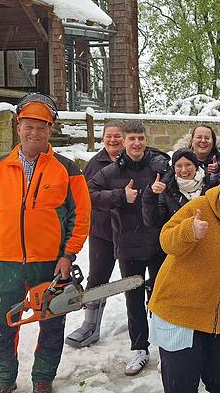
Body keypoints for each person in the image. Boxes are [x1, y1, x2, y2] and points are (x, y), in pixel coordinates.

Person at [0, 93, 91, 393]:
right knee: (1, 323)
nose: (34, 132)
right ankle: (2, 379)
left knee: (52, 322)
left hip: (50, 261)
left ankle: (43, 377)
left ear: (51, 128)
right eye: (28, 125)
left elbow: (80, 216)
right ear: (18, 127)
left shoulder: (67, 169)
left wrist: (69, 254)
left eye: (41, 126)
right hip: (6, 261)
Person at [148, 167, 220, 393]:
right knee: (181, 384)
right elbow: (166, 240)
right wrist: (188, 231)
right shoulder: (201, 206)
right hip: (181, 311)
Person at [88, 121, 170, 376]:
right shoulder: (110, 172)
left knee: (159, 298)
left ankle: (166, 348)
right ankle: (139, 348)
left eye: (140, 138)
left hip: (158, 245)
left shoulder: (158, 166)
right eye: (132, 138)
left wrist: (163, 190)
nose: (136, 143)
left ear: (146, 140)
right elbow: (87, 194)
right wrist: (119, 197)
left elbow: (177, 187)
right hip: (127, 246)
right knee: (133, 300)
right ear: (123, 142)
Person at [66, 121, 124, 348]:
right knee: (98, 277)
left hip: (133, 232)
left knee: (142, 278)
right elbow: (85, 196)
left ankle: (150, 321)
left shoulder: (136, 161)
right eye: (109, 136)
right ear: (103, 139)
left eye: (117, 136)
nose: (113, 140)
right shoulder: (94, 164)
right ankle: (90, 326)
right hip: (102, 231)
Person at [142, 148, 214, 228]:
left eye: (188, 165)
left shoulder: (211, 184)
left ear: (195, 166)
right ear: (174, 168)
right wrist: (151, 194)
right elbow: (153, 222)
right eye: (179, 166)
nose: (183, 170)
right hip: (178, 238)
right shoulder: (166, 189)